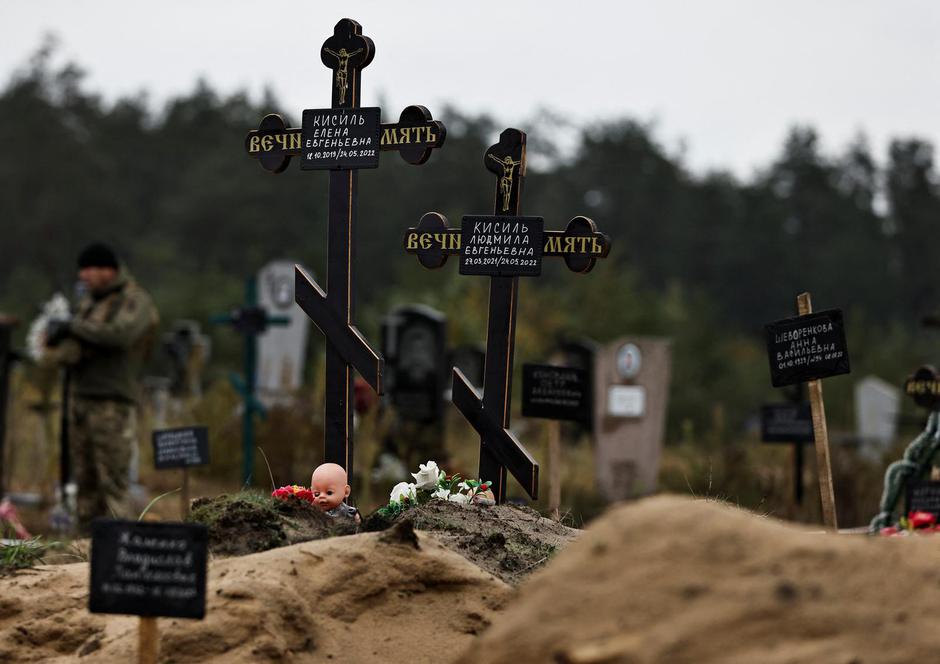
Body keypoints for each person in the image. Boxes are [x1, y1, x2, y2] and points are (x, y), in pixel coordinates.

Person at [42, 243, 158, 530]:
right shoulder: (90, 302)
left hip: (112, 402)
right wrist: (56, 340)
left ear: (109, 270)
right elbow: (74, 348)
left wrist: (72, 327)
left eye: (89, 269)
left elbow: (120, 335)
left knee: (113, 482)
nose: (83, 275)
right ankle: (85, 551)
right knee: (84, 483)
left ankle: (120, 546)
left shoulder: (134, 300)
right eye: (81, 269)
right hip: (80, 399)